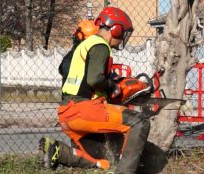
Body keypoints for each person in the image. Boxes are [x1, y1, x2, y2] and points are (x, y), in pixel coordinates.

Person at [39, 7, 150, 174]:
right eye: (123, 34)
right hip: (83, 110)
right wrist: (114, 87)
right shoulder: (100, 46)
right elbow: (95, 79)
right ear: (116, 29)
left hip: (66, 112)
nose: (122, 39)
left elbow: (86, 80)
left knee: (103, 161)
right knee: (139, 122)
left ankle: (57, 150)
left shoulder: (85, 45)